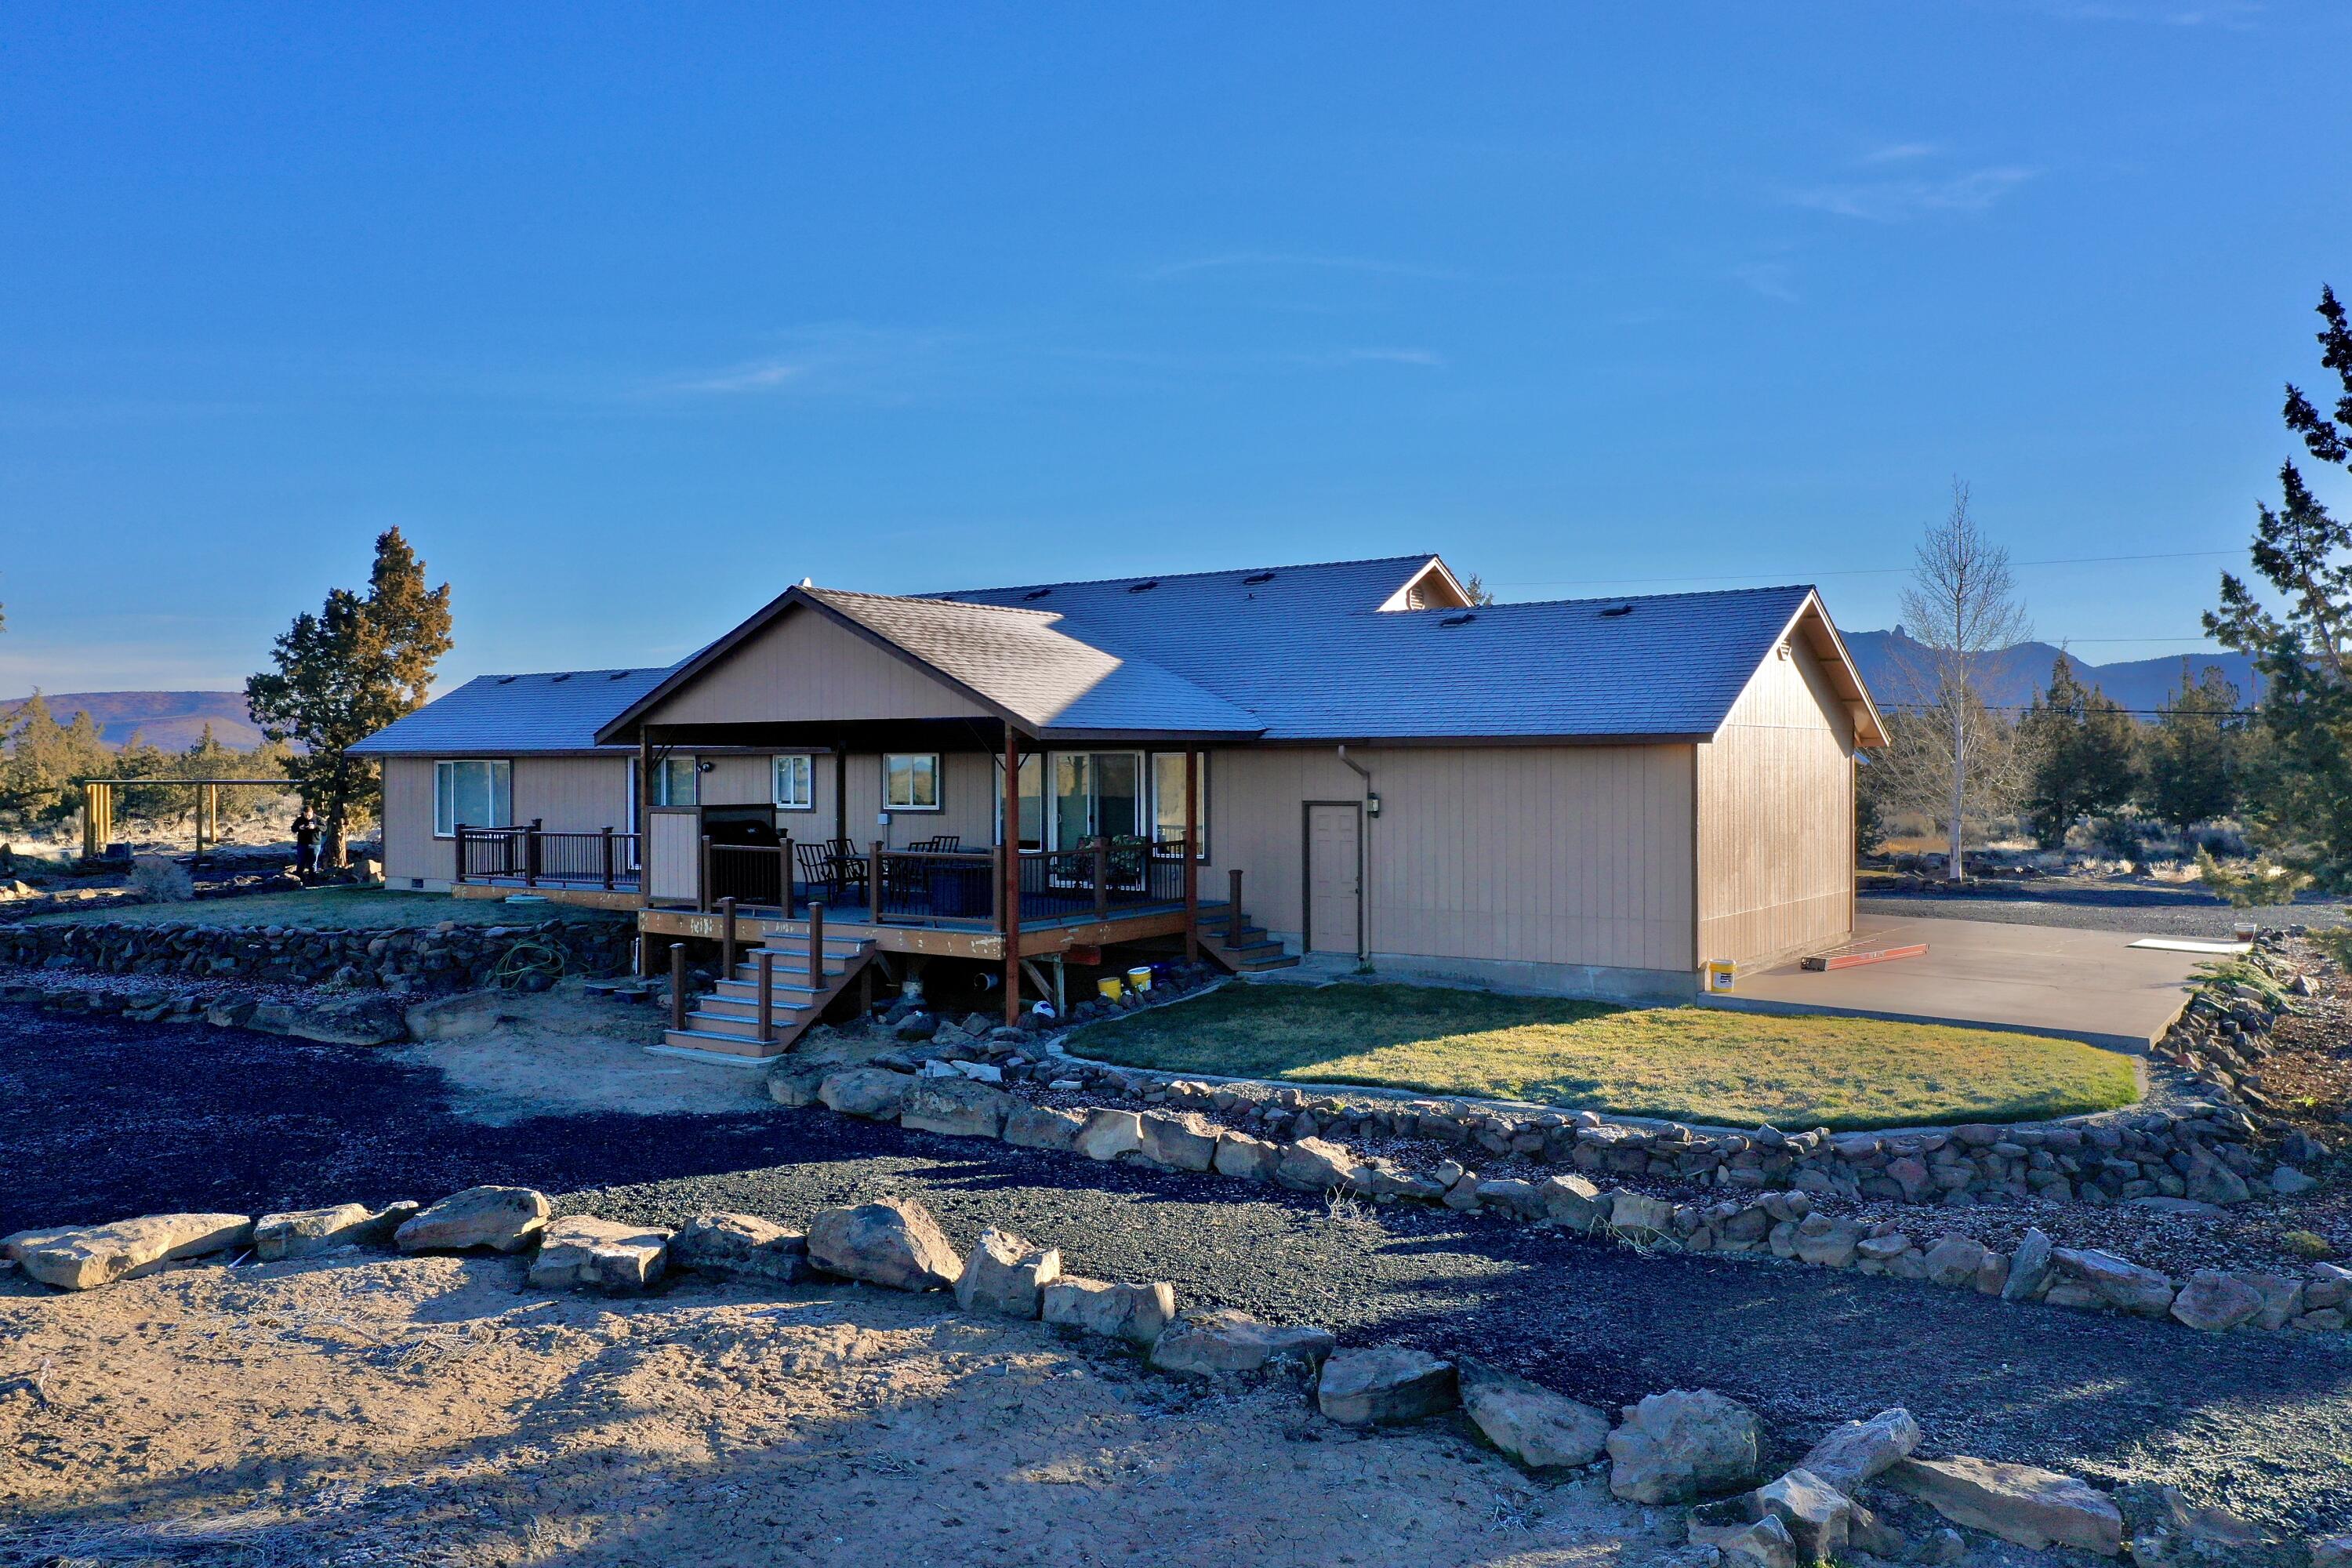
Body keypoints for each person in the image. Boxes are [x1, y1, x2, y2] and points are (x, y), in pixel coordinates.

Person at [292, 809, 319, 880]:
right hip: (302, 844)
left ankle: (313, 879)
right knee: (301, 861)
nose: (307, 817)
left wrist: (315, 827)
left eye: (309, 815)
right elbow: (293, 829)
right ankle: (299, 879)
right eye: (306, 815)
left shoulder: (318, 819)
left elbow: (324, 828)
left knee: (313, 863)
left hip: (315, 844)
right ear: (303, 813)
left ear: (312, 812)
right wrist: (299, 828)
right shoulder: (299, 819)